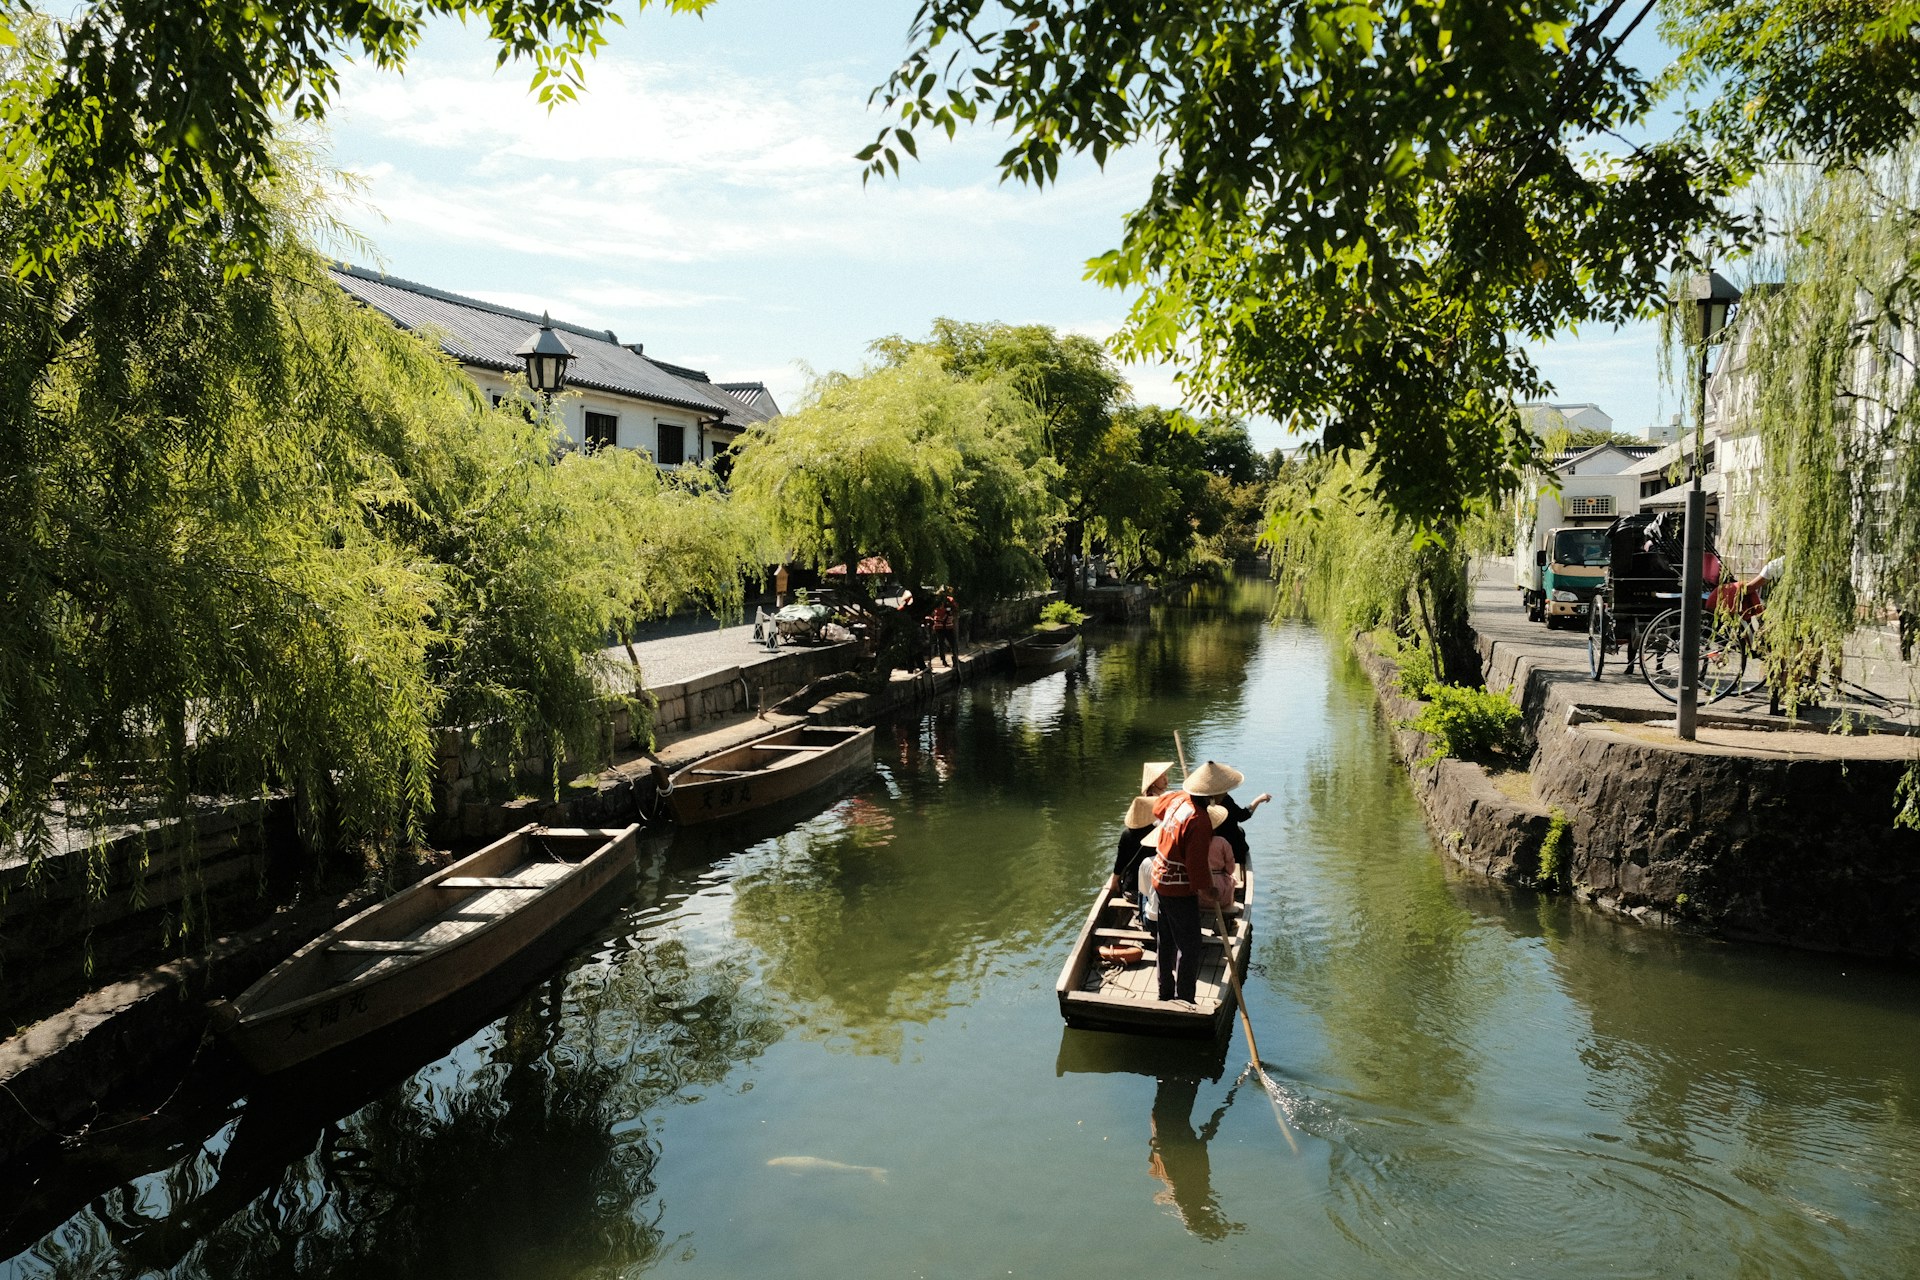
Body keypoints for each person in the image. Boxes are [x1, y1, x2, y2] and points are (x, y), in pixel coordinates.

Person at [1151, 759, 1241, 1004]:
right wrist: (1207, 889)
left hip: (1160, 877)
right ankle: (1185, 998)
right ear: (1212, 795)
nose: (1225, 794)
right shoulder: (1200, 821)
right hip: (1176, 886)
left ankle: (1165, 992)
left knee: (1167, 938)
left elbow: (1157, 808)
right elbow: (1196, 865)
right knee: (1190, 945)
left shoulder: (1177, 798)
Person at [1109, 795, 1159, 907]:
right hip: (1154, 890)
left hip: (1131, 890)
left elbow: (1120, 862)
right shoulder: (1156, 833)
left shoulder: (1126, 834)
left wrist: (1114, 883)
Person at [1210, 789, 1273, 867]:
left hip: (1212, 844)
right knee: (1240, 832)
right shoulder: (1225, 800)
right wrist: (1258, 800)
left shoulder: (1202, 802)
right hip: (1233, 848)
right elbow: (1242, 816)